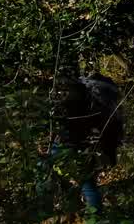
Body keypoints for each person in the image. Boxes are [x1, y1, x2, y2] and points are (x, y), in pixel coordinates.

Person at [49, 70, 124, 210]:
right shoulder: (101, 101)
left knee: (54, 172)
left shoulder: (86, 97)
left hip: (71, 142)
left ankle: (92, 215)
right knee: (86, 182)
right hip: (85, 143)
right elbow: (112, 130)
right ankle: (92, 214)